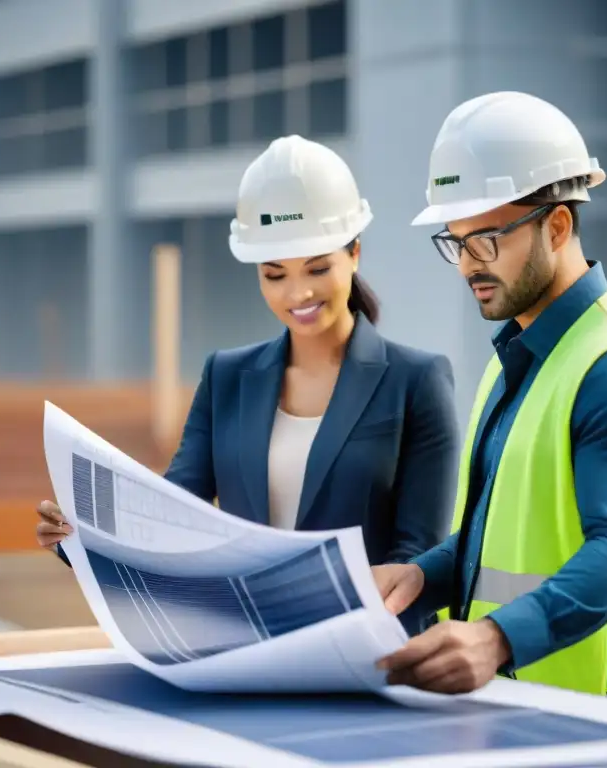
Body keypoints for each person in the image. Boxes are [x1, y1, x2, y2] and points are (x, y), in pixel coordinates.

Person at [372, 92, 607, 704]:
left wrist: (494, 639)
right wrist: (422, 575)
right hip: (532, 697)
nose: (466, 265)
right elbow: (510, 538)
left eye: (485, 240)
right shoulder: (522, 355)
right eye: (455, 242)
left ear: (557, 225)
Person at [35, 135, 460, 633]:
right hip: (246, 647)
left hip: (369, 650)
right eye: (275, 274)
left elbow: (415, 558)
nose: (298, 292)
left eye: (318, 268)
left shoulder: (417, 382)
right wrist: (84, 538)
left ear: (355, 254)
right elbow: (173, 518)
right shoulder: (227, 377)